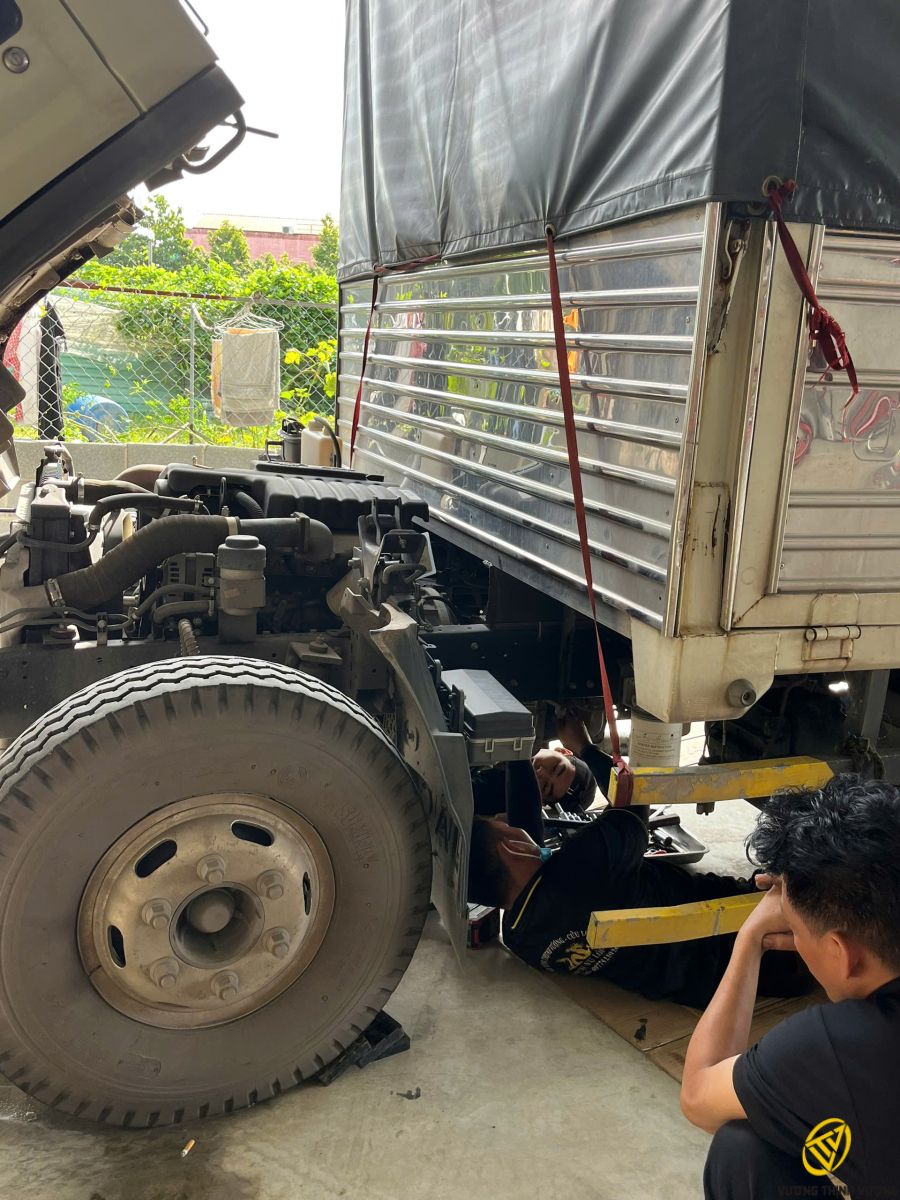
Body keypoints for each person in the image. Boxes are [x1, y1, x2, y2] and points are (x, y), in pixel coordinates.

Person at [468, 716, 810, 1007]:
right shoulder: (585, 865)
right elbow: (635, 796)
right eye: (506, 826)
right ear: (513, 848)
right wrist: (584, 747)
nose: (512, 823)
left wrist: (520, 755)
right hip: (784, 939)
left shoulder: (520, 937)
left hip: (726, 983)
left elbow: (525, 853)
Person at [680, 776, 900, 1200]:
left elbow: (698, 1097)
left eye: (796, 931)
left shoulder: (839, 1047)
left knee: (740, 1149)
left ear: (840, 952)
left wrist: (749, 939)